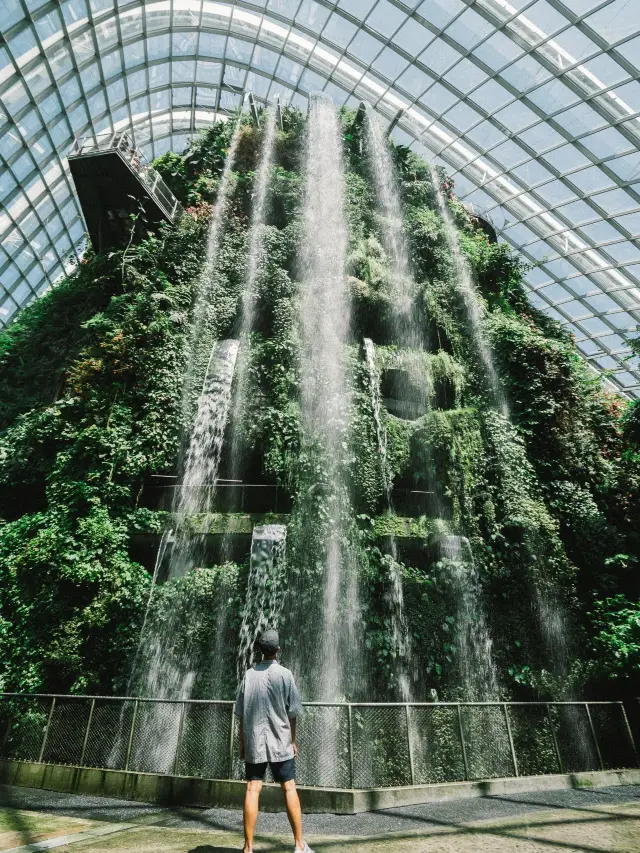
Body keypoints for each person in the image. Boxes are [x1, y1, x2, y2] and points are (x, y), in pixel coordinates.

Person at [235, 629, 313, 853]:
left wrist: (242, 742)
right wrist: (292, 740)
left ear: (259, 650)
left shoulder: (249, 675)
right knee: (289, 788)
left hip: (254, 740)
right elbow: (293, 713)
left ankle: (248, 848)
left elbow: (241, 713)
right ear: (278, 650)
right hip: (281, 740)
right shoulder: (285, 675)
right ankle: (299, 845)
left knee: (252, 788)